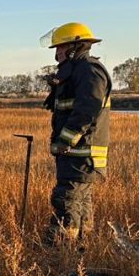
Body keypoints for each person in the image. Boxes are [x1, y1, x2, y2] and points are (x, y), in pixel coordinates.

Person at [42, 22, 111, 243]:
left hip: (82, 152)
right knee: (79, 201)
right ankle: (80, 248)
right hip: (76, 152)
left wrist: (65, 140)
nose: (57, 53)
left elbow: (86, 110)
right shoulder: (75, 72)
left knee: (67, 199)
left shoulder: (89, 70)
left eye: (60, 48)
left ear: (74, 47)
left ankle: (62, 248)